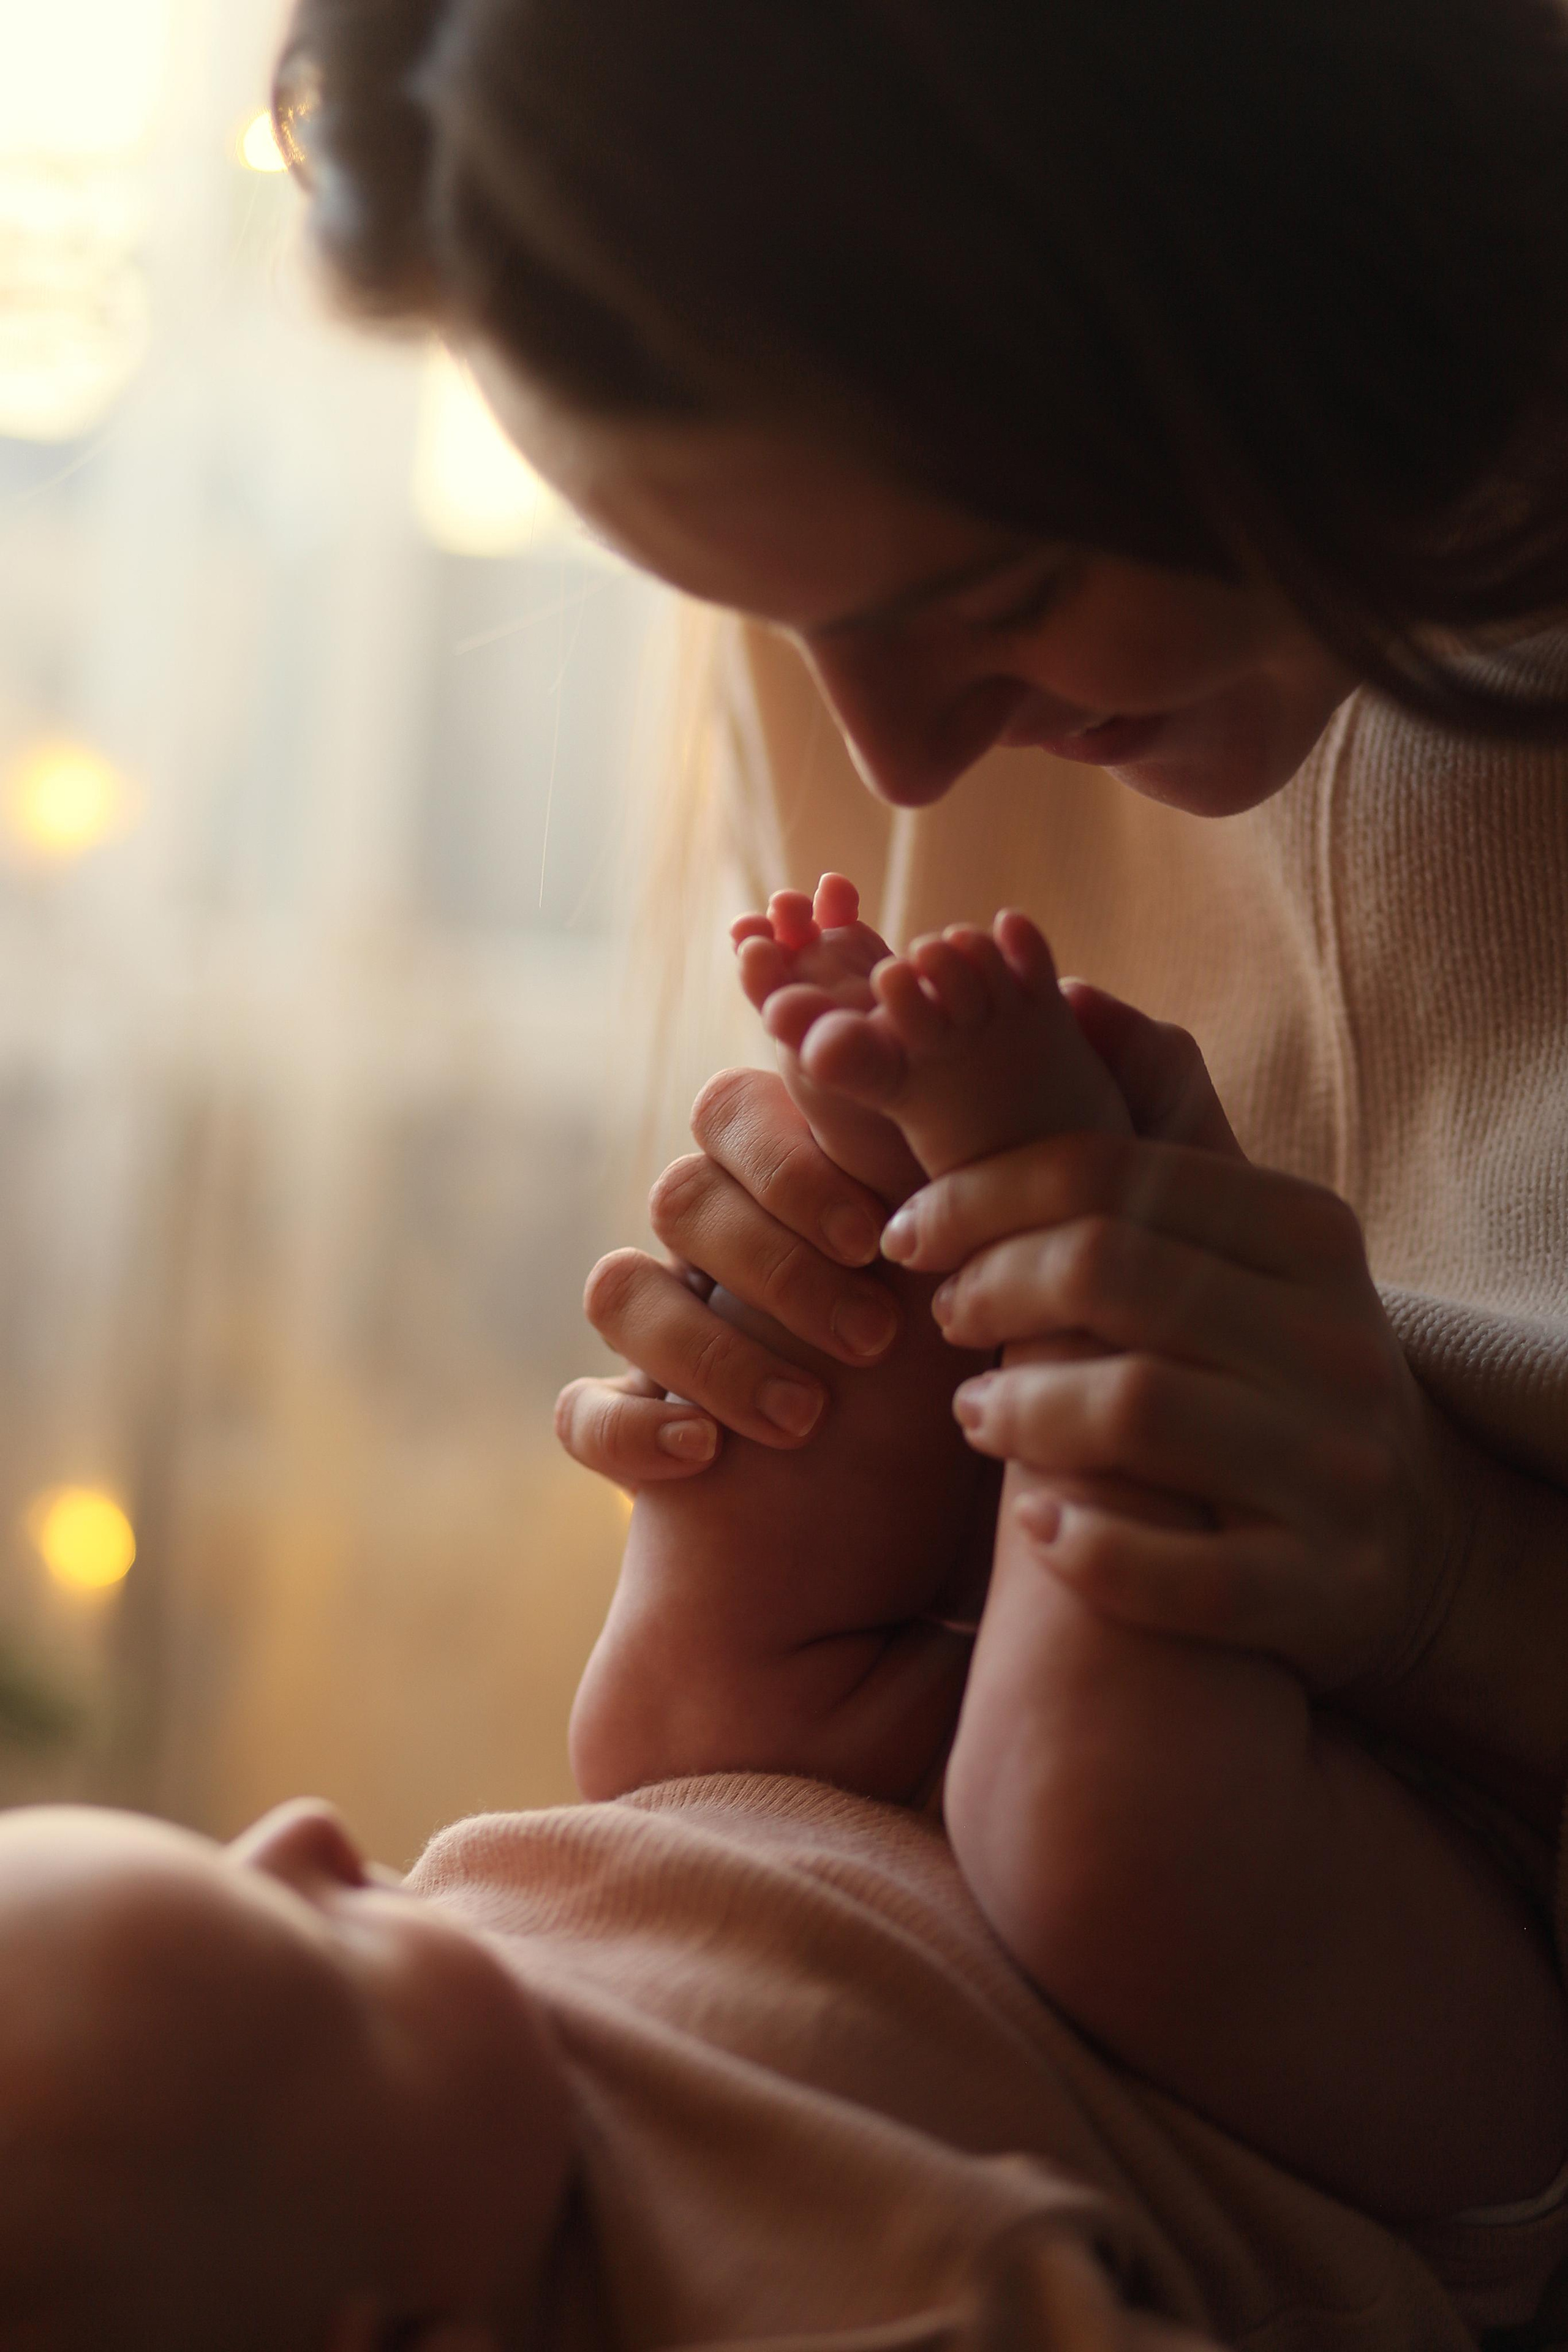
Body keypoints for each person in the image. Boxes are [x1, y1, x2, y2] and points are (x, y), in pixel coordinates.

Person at [265, 0, 1568, 2339]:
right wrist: (834, 1366)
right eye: (772, 616)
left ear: (1302, 254)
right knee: (675, 1738)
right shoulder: (850, 451)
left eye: (986, 593)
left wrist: (1442, 1580)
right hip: (1041, 1905)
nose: (888, 750)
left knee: (1088, 1837)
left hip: (1408, 2048)